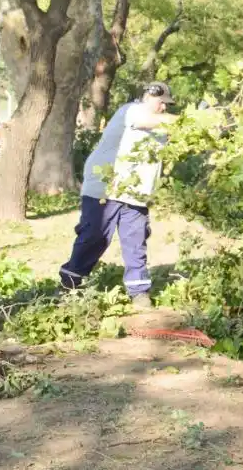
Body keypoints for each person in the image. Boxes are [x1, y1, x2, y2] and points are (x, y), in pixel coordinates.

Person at [59, 82, 178, 309]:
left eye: (166, 105)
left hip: (135, 192)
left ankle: (140, 293)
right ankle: (69, 284)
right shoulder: (132, 110)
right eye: (162, 103)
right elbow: (147, 121)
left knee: (136, 241)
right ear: (150, 96)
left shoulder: (162, 125)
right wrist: (187, 121)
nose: (164, 108)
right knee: (94, 236)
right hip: (105, 186)